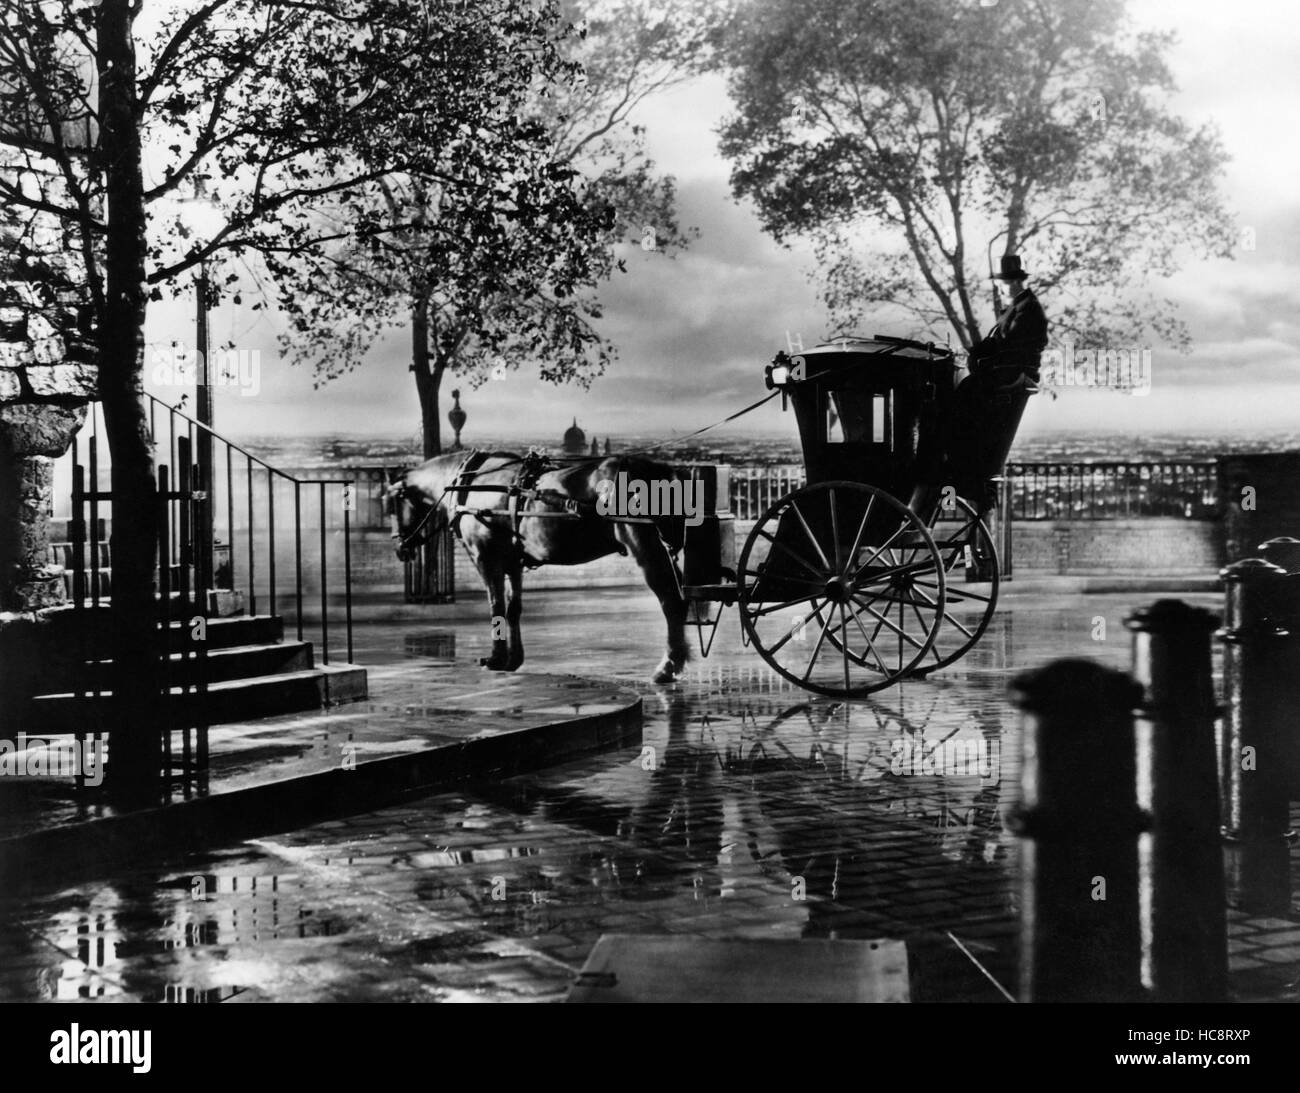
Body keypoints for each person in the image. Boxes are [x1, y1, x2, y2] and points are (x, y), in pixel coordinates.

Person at [949, 254, 1048, 514]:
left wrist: (980, 359)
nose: (1000, 289)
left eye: (1002, 284)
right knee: (965, 389)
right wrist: (970, 351)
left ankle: (961, 462)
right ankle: (964, 463)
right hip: (1009, 371)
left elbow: (1009, 347)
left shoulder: (1027, 311)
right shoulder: (1018, 309)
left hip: (1012, 374)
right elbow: (995, 343)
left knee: (966, 392)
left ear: (1013, 283)